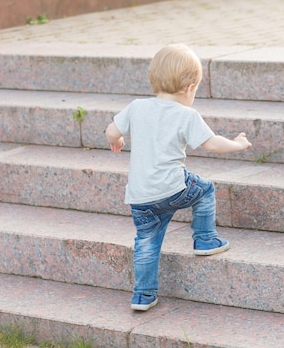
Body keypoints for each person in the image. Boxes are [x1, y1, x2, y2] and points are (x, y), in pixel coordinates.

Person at [105, 43, 252, 311]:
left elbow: (110, 131)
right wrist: (239, 144)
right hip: (174, 189)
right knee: (205, 190)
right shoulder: (186, 114)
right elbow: (212, 144)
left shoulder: (136, 107)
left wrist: (119, 139)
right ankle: (205, 238)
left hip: (140, 196)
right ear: (188, 88)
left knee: (146, 241)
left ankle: (143, 295)